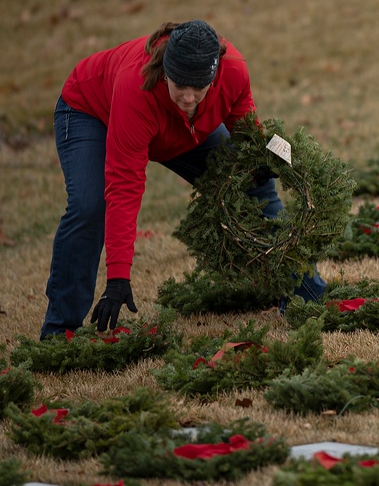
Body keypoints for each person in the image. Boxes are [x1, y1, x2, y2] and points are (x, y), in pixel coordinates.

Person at [40, 19, 325, 339]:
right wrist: (118, 277)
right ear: (165, 72)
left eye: (198, 90)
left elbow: (245, 126)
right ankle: (59, 330)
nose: (189, 98)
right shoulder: (136, 87)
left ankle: (306, 293)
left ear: (214, 78)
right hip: (91, 113)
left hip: (177, 132)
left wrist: (262, 156)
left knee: (252, 183)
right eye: (180, 87)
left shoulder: (233, 70)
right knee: (89, 206)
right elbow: (124, 187)